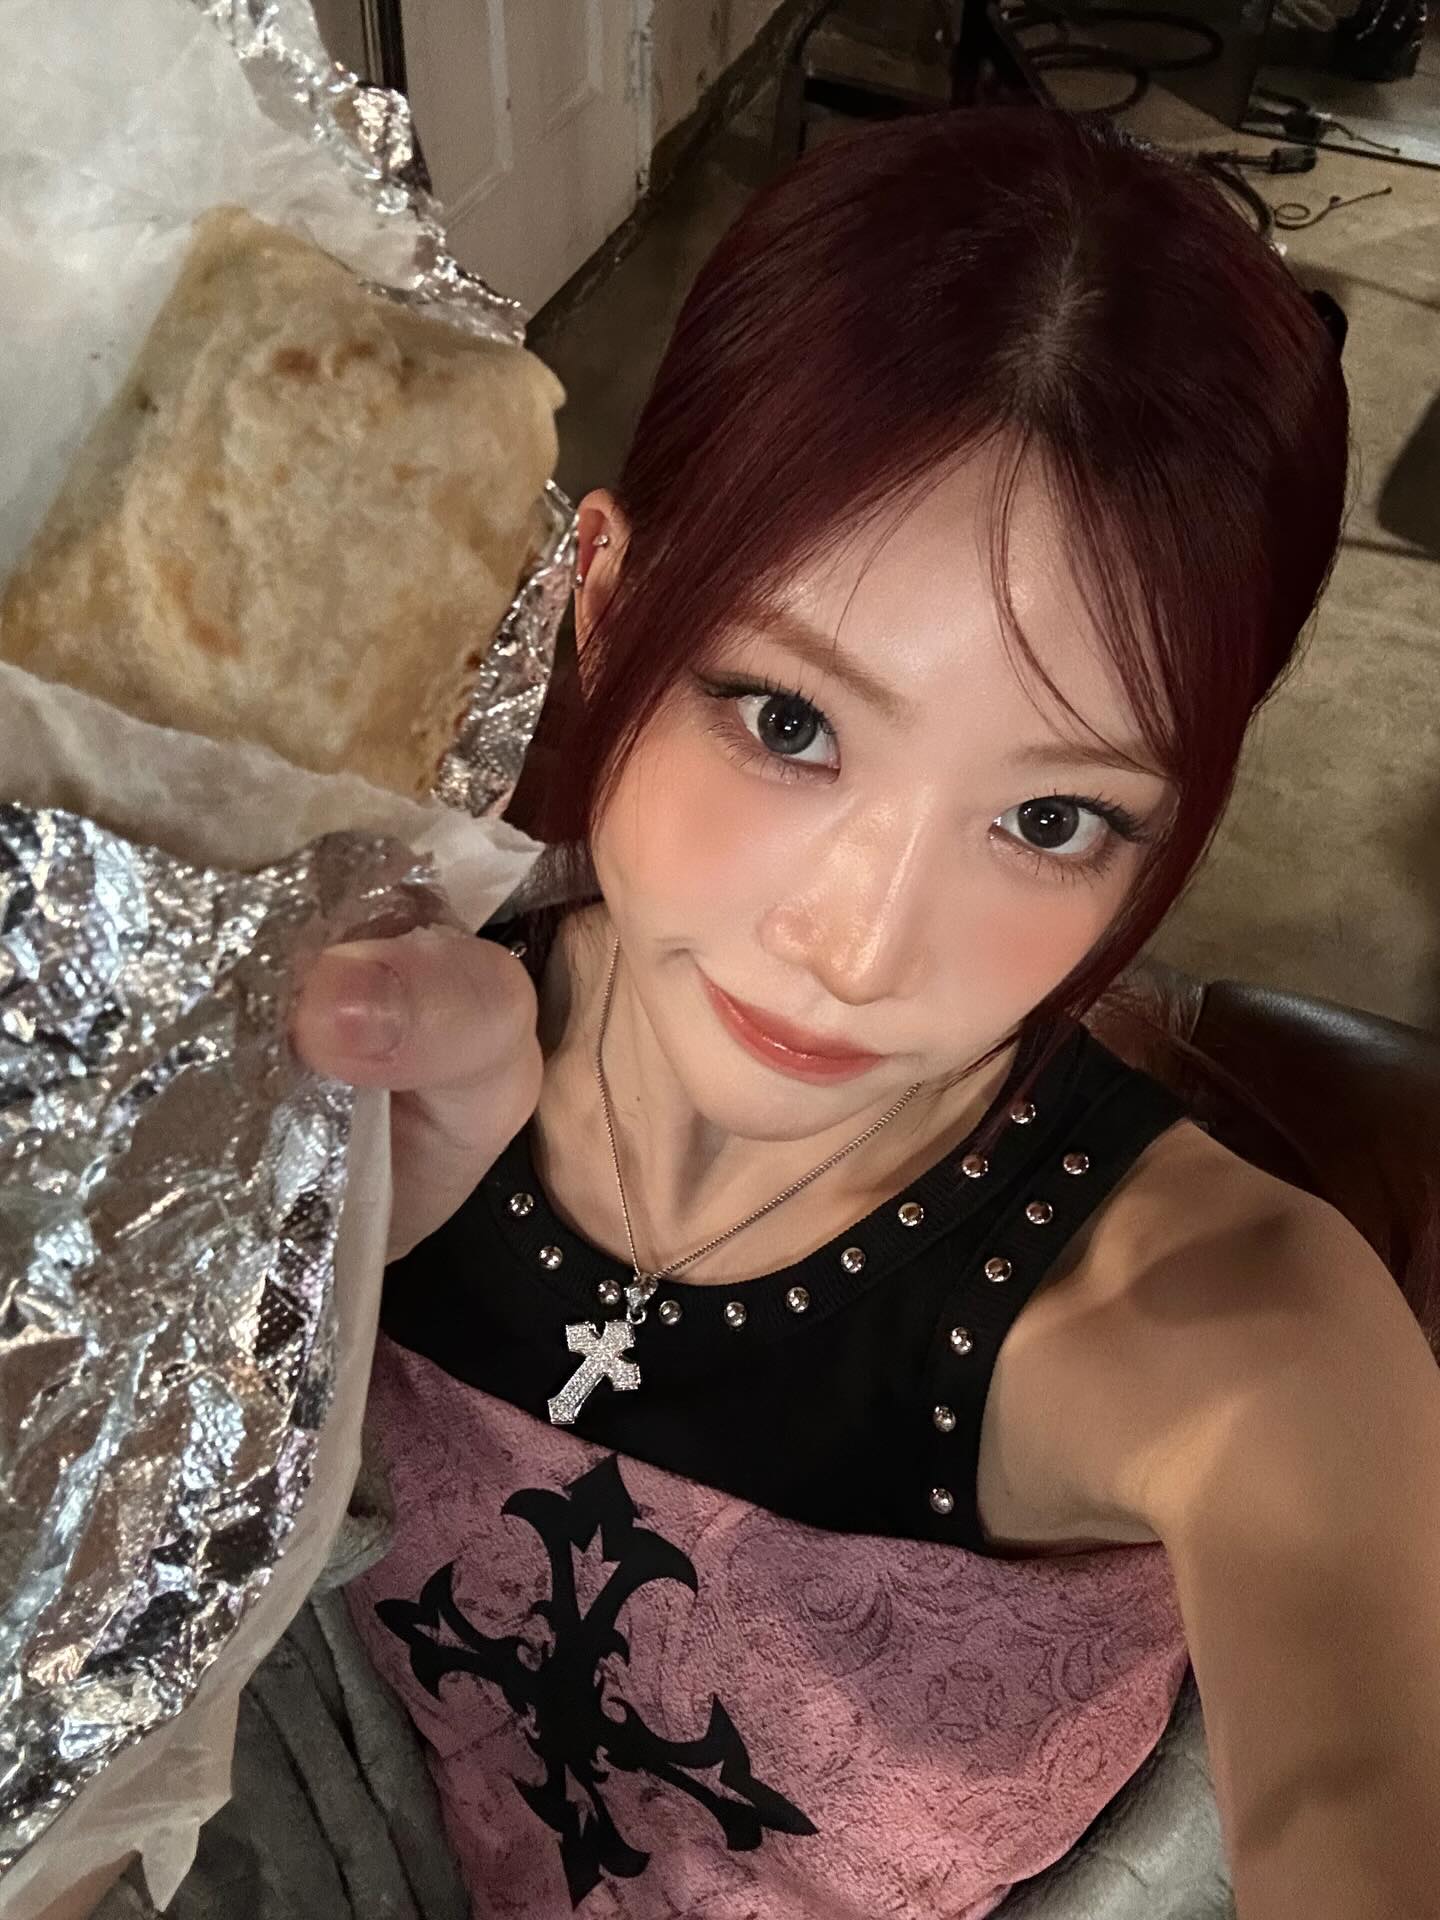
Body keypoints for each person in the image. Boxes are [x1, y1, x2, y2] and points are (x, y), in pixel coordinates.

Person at [279, 104, 1436, 1919]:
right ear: (608, 602)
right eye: (791, 722)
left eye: (1051, 821)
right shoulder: (338, 1037)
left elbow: (1366, 1796)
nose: (866, 948)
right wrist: (298, 1280)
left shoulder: (1225, 1342)